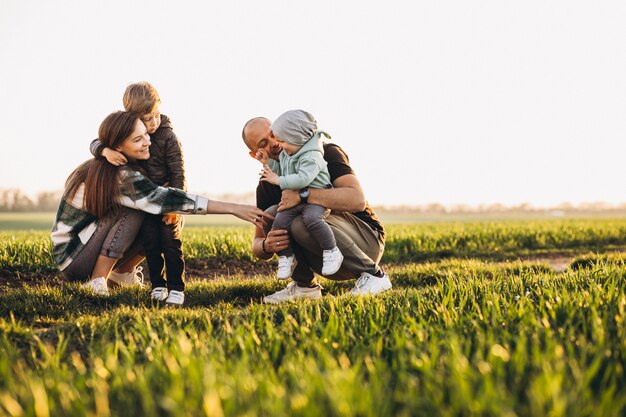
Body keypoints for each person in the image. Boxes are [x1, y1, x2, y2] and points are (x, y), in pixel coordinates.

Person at [52, 111, 270, 302]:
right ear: (118, 146)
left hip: (85, 247)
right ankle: (98, 280)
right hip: (73, 256)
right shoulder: (119, 175)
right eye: (138, 139)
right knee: (141, 208)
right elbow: (164, 199)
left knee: (163, 212)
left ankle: (121, 274)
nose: (147, 142)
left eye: (146, 134)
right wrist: (233, 208)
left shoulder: (116, 164)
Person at [242, 116, 392, 303]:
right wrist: (267, 245)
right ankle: (304, 286)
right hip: (324, 259)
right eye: (264, 143)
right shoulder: (267, 185)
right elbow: (258, 243)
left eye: (274, 134)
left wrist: (303, 194)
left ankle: (373, 275)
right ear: (254, 154)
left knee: (301, 219)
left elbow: (357, 200)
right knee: (273, 215)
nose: (274, 143)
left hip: (365, 243)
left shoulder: (323, 153)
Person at [89, 82, 188, 305]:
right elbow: (96, 141)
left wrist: (175, 203)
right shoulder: (126, 130)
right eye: (146, 119)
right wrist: (106, 151)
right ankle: (158, 285)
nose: (153, 123)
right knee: (151, 243)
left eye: (156, 115)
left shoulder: (168, 137)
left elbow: (178, 171)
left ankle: (176, 288)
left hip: (165, 200)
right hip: (141, 201)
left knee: (170, 243)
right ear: (132, 117)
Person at [256, 110, 343, 280]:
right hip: (297, 204)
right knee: (279, 221)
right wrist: (268, 163)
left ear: (295, 138)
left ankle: (331, 250)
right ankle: (287, 257)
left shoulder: (313, 155)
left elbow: (303, 178)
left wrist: (278, 180)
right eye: (264, 143)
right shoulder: (288, 153)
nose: (278, 144)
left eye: (280, 140)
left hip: (316, 202)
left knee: (311, 219)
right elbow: (282, 170)